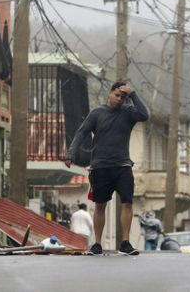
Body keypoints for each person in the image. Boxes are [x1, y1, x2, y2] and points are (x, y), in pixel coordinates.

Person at [64, 81, 149, 256]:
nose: (119, 100)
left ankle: (125, 243)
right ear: (109, 94)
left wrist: (132, 94)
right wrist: (71, 152)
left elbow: (144, 115)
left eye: (123, 97)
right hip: (100, 166)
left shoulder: (129, 113)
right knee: (100, 205)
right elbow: (82, 132)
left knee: (127, 202)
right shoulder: (97, 113)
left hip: (123, 165)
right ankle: (97, 244)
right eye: (117, 95)